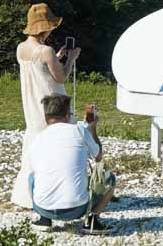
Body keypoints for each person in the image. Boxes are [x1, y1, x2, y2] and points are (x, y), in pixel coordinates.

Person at [11, 3, 79, 209]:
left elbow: (37, 68)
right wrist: (70, 60)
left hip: (33, 103)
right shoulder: (46, 50)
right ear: (45, 28)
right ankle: (57, 193)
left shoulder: (21, 48)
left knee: (34, 144)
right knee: (57, 146)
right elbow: (61, 78)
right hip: (52, 103)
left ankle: (26, 195)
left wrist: (56, 59)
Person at [28, 93, 114, 233]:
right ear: (67, 115)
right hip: (77, 208)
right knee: (109, 178)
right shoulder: (79, 130)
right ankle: (92, 220)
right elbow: (98, 157)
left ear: (46, 117)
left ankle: (44, 219)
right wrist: (92, 128)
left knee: (32, 177)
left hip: (44, 206)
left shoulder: (37, 138)